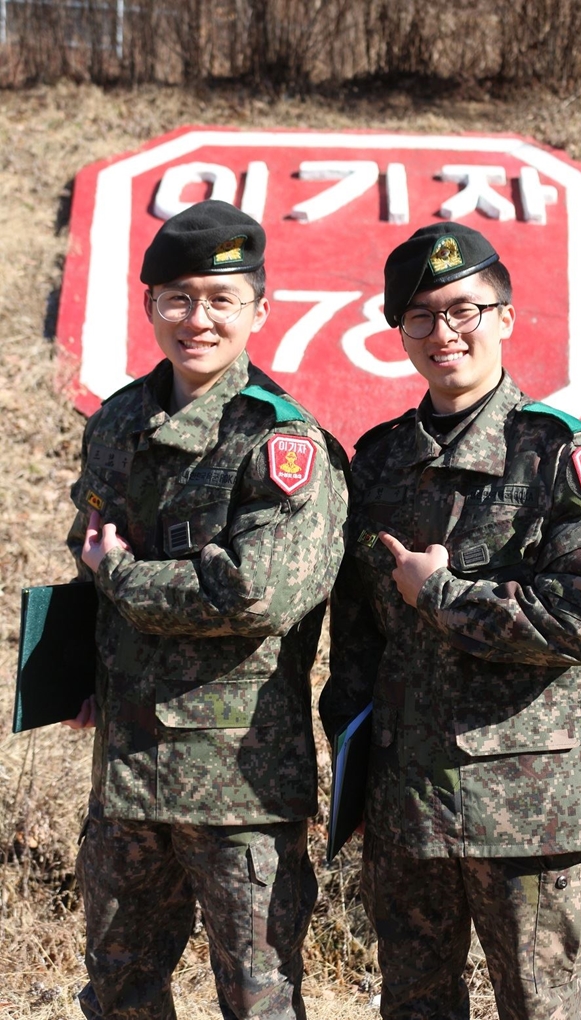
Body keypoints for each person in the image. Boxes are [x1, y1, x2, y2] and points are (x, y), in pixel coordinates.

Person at [320, 222, 581, 1020]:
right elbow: (356, 630)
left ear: (504, 316)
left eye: (465, 310)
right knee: (414, 1004)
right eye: (421, 317)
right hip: (409, 805)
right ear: (400, 333)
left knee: (541, 1007)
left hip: (529, 812)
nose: (444, 333)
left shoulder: (561, 455)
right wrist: (351, 759)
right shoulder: (381, 459)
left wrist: (445, 596)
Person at [63, 199, 349, 1020]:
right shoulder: (119, 420)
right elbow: (84, 547)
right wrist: (74, 672)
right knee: (119, 993)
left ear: (260, 309)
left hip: (239, 788)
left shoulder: (283, 444)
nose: (199, 318)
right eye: (178, 298)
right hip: (126, 775)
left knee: (258, 1002)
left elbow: (254, 594)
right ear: (150, 304)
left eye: (222, 299)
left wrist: (121, 575)